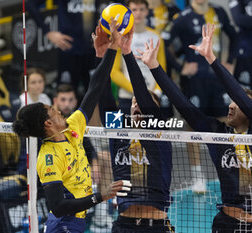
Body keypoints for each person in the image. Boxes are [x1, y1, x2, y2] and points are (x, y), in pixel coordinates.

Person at [137, 24, 252, 232]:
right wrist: (155, 67)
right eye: (231, 102)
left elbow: (237, 92)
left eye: (237, 104)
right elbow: (184, 105)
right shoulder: (219, 135)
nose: (230, 105)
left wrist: (212, 59)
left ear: (251, 111)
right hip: (226, 224)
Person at [13, 21, 131, 233]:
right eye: (52, 110)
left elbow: (94, 89)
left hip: (78, 222)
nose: (58, 109)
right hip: (63, 225)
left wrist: (108, 50)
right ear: (48, 124)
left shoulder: (71, 127)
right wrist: (101, 196)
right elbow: (58, 206)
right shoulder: (48, 158)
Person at [99, 27, 175, 233]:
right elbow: (104, 98)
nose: (137, 106)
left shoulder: (159, 134)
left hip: (155, 226)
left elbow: (143, 95)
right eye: (134, 103)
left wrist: (127, 53)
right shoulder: (119, 133)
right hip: (124, 224)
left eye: (142, 103)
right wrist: (104, 56)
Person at [162, 0, 238, 193]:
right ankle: (198, 175)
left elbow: (234, 36)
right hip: (194, 82)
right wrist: (181, 67)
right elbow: (163, 41)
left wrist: (229, 62)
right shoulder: (182, 17)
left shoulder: (219, 12)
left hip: (217, 78)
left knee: (226, 124)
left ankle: (227, 171)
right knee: (193, 126)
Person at [110, 0, 167, 115]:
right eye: (134, 10)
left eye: (141, 9)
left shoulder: (156, 37)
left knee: (154, 132)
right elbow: (113, 71)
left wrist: (157, 92)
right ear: (128, 13)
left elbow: (162, 68)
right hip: (127, 97)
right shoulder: (120, 37)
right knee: (122, 132)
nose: (138, 13)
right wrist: (137, 90)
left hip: (153, 98)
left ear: (147, 11)